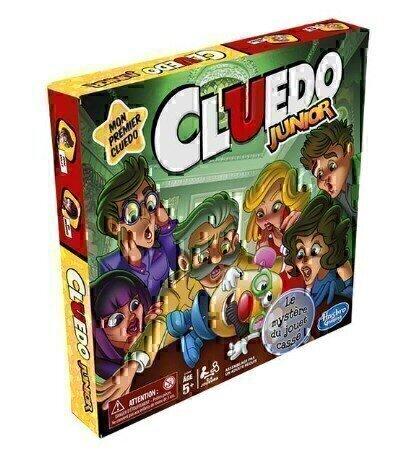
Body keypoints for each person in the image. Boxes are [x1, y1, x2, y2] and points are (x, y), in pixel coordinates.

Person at [96, 156, 178, 301]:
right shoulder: (108, 265)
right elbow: (130, 306)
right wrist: (134, 266)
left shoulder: (160, 247)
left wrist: (166, 229)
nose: (147, 217)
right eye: (133, 214)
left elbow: (179, 265)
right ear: (114, 226)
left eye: (150, 204)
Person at [91, 270, 161, 410]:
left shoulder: (154, 323)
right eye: (116, 319)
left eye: (134, 305)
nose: (132, 317)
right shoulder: (104, 372)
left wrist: (153, 329)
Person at [244, 160, 310, 290]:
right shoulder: (264, 243)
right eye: (260, 214)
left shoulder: (302, 234)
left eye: (276, 207)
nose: (267, 219)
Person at [282, 193, 353, 309]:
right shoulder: (312, 282)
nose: (304, 260)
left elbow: (343, 304)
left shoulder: (332, 284)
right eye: (300, 253)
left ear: (330, 248)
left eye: (314, 250)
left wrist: (349, 281)